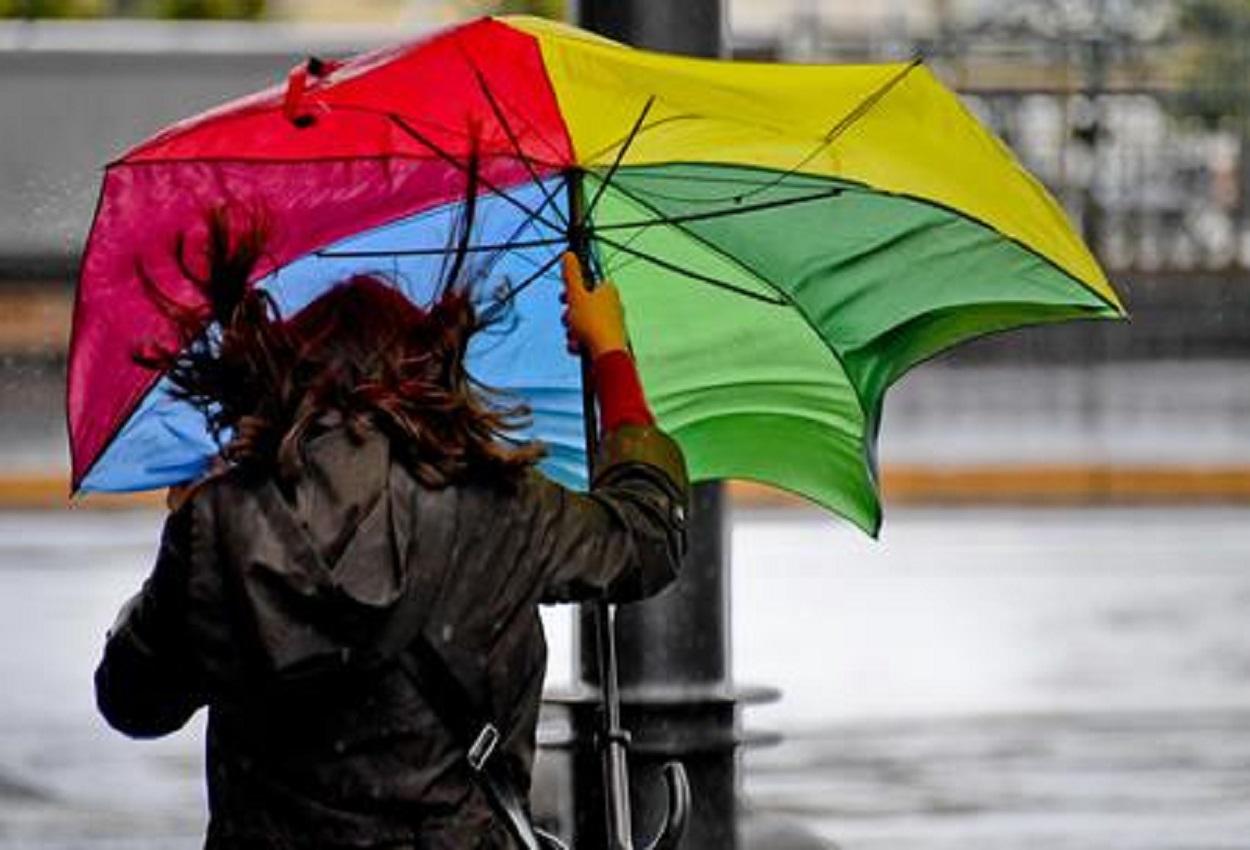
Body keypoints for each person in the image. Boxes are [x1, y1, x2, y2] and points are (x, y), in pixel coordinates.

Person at [94, 208, 689, 849]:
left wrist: (191, 542)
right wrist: (611, 354)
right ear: (424, 378)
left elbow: (134, 702)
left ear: (285, 383)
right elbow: (646, 535)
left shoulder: (223, 520)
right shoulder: (502, 506)